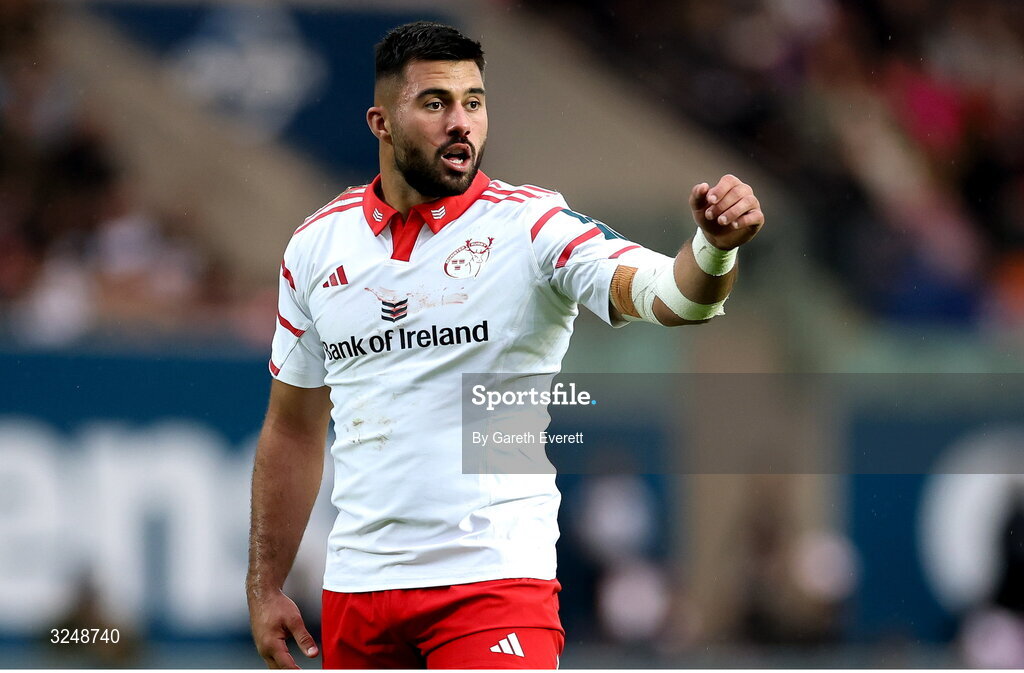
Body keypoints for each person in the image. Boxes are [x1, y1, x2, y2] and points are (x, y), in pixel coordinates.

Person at [246, 20, 764, 670]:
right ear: (381, 122)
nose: (460, 121)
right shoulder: (315, 247)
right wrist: (266, 583)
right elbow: (292, 428)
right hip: (358, 591)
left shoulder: (533, 226)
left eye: (474, 101)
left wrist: (713, 247)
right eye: (435, 103)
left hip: (493, 583)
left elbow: (676, 298)